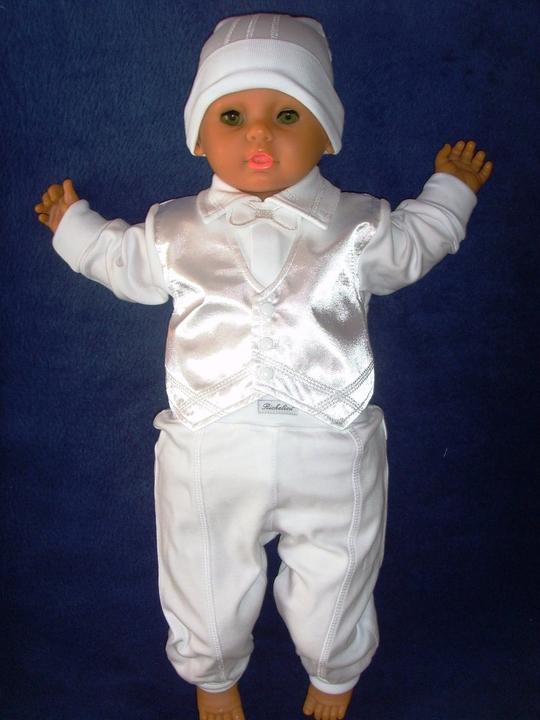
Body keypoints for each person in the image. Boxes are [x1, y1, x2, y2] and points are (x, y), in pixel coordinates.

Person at [34, 13, 492, 720]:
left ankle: (334, 671)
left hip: (330, 441)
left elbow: (411, 248)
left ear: (326, 132)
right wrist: (75, 228)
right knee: (202, 571)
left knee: (340, 568)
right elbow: (122, 262)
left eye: (286, 114)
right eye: (232, 116)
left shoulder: (359, 224)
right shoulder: (175, 228)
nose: (258, 135)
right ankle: (212, 674)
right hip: (210, 444)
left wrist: (450, 193)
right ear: (198, 136)